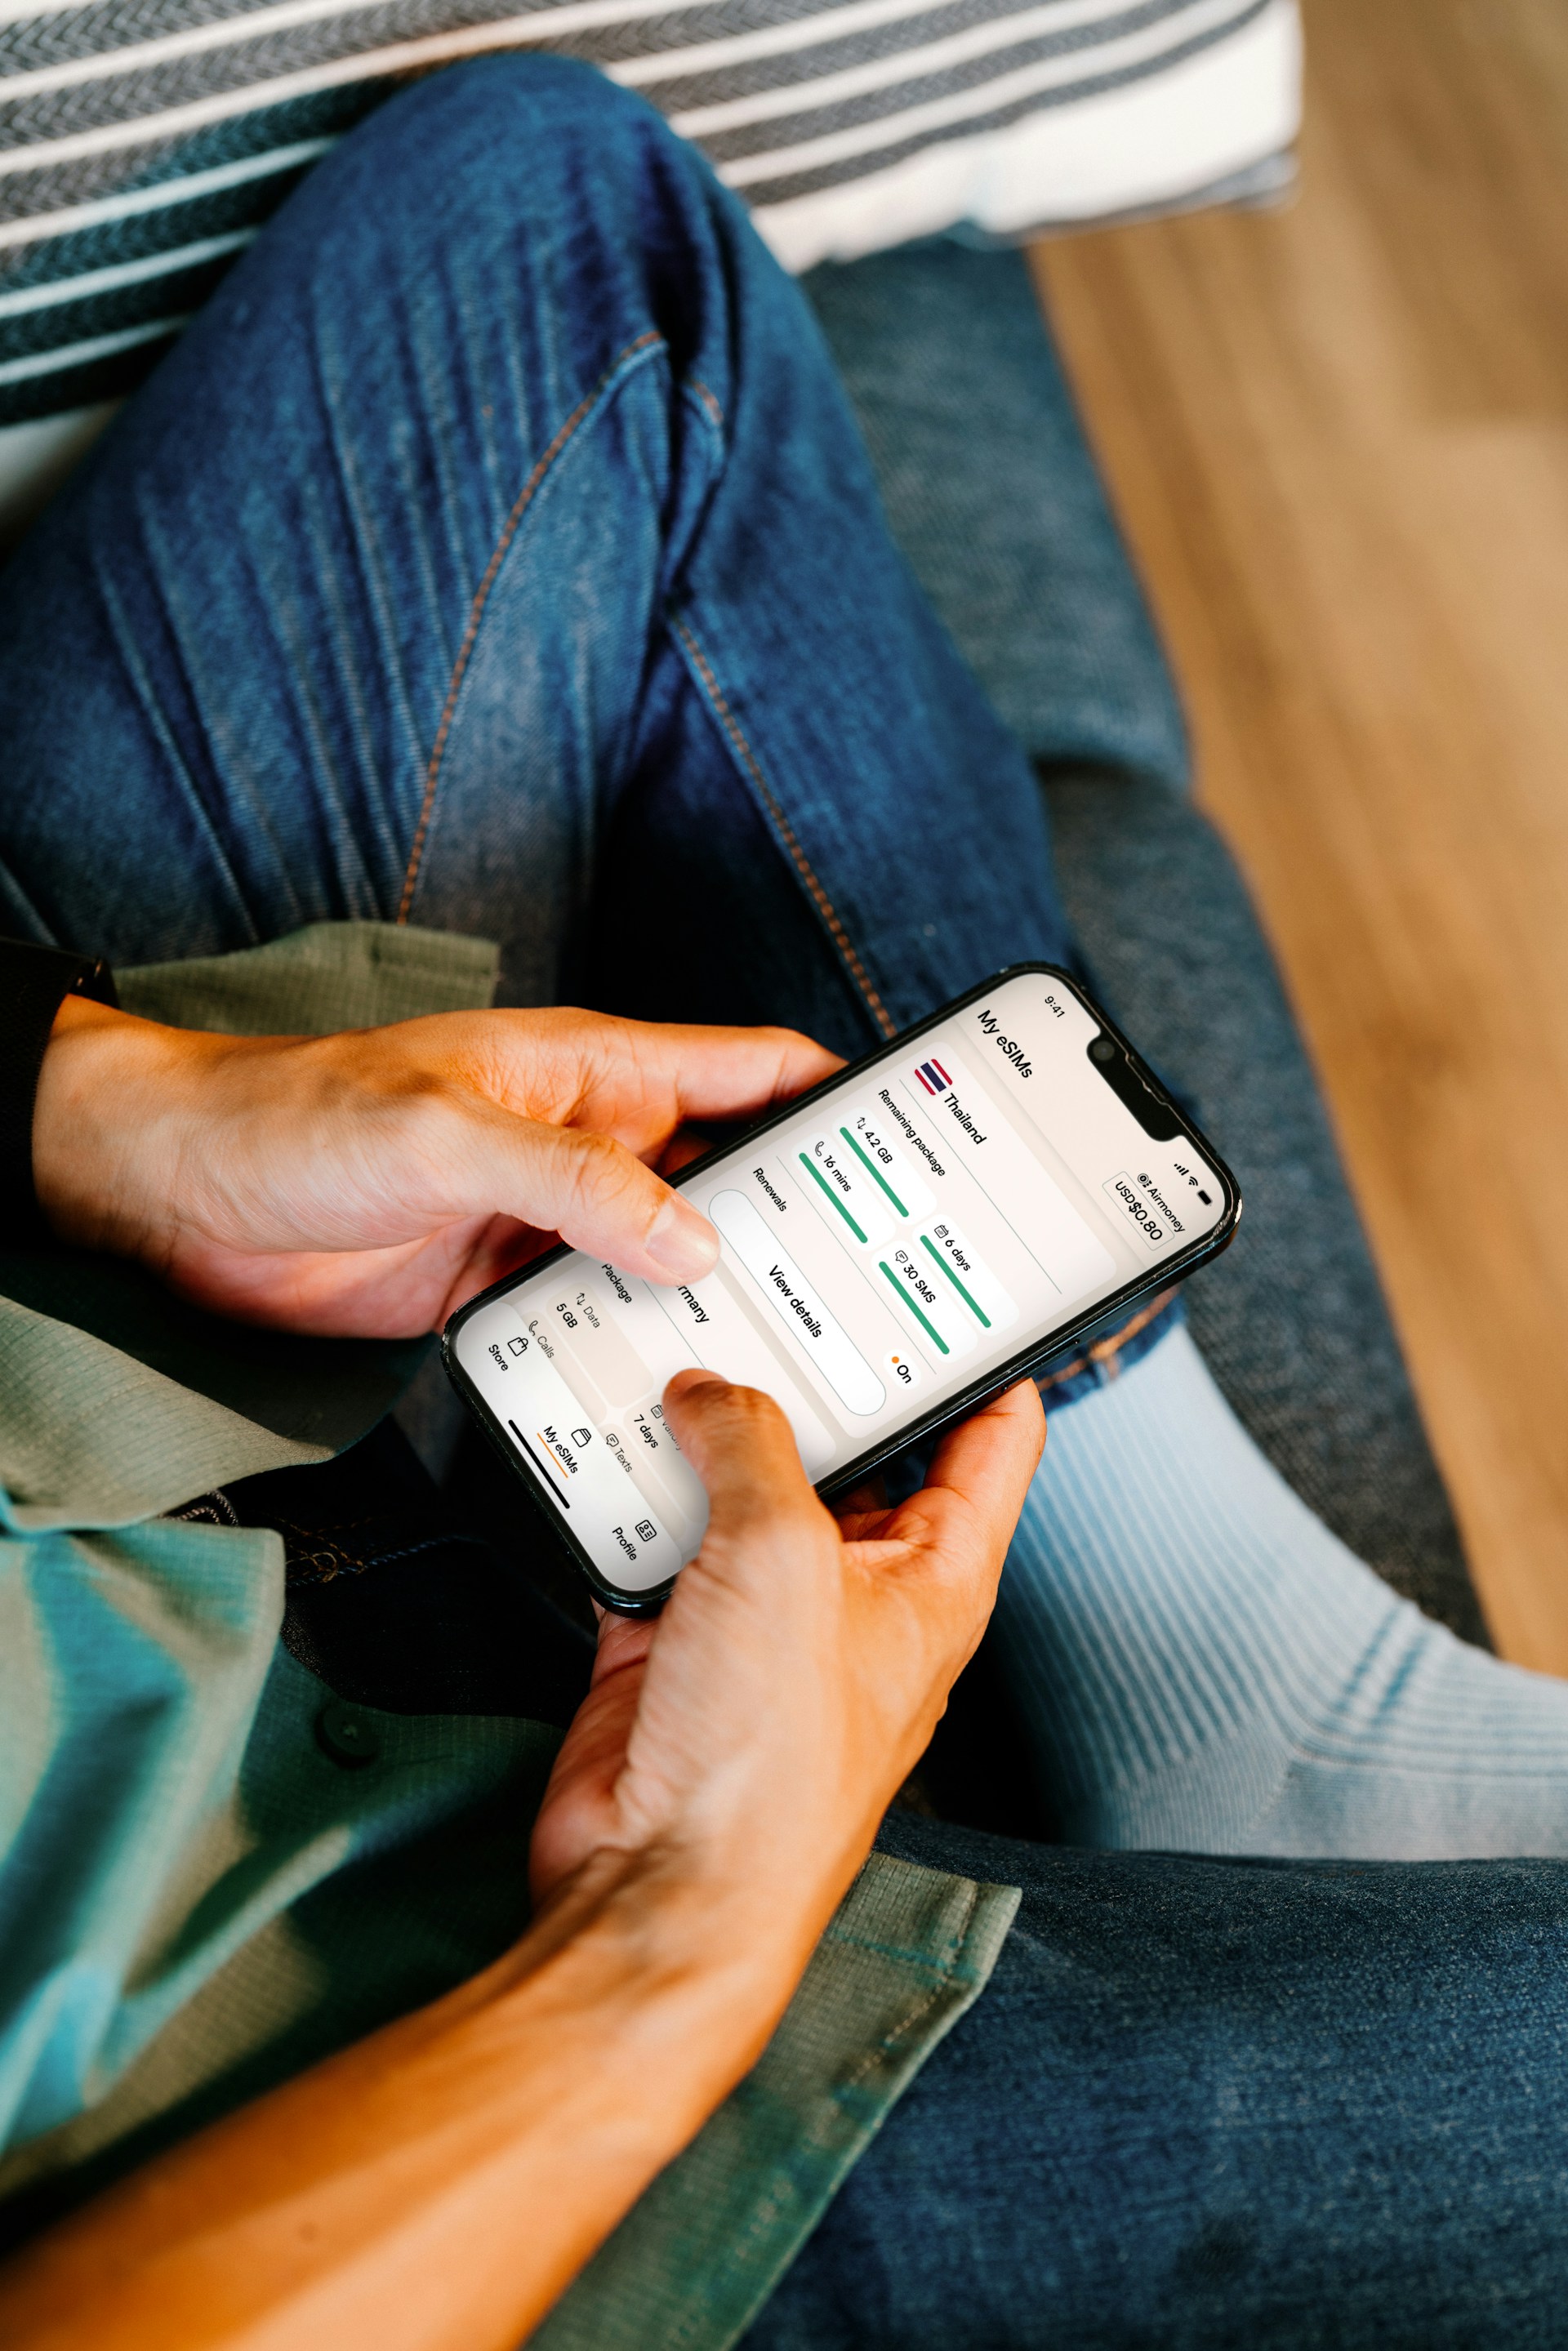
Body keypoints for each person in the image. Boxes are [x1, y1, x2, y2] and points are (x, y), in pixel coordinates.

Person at [4, 53, 1568, 2351]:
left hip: (83, 1385)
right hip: (357, 2132)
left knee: (562, 249)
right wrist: (677, 1941)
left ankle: (1211, 1669)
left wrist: (92, 1113)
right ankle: (1241, 1733)